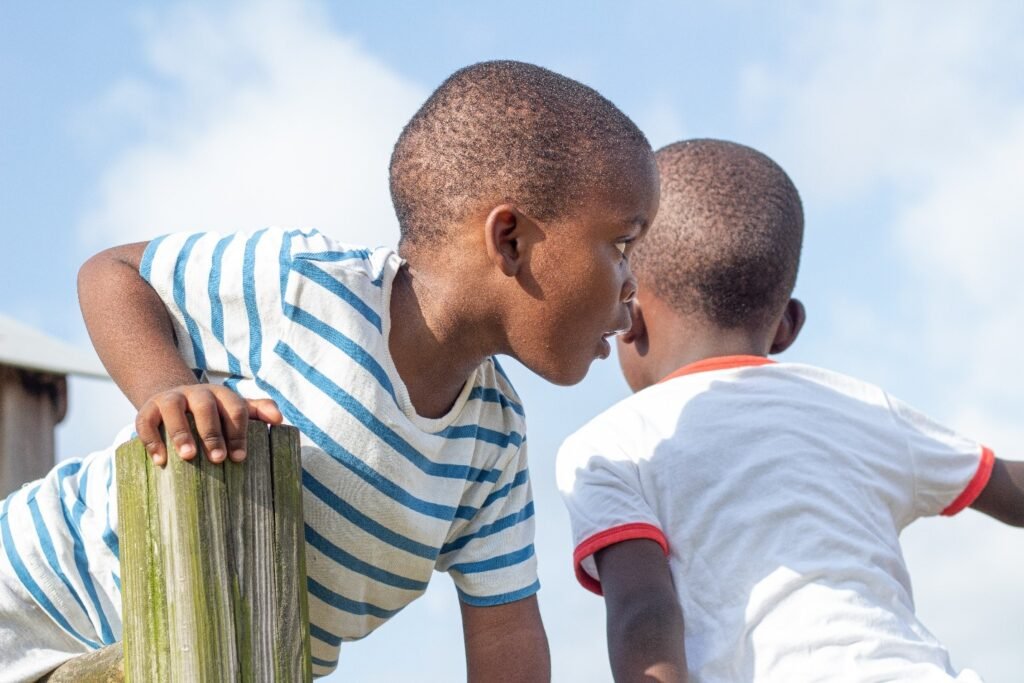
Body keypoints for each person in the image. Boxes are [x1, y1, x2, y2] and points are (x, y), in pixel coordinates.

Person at [0, 60, 660, 681]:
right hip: (26, 591)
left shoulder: (493, 442)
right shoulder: (306, 286)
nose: (633, 284)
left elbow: (507, 631)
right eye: (622, 245)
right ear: (509, 239)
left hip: (214, 658)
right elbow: (113, 274)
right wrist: (167, 385)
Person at [556, 138, 1023, 683]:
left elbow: (644, 611)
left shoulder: (607, 448)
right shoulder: (860, 407)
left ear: (627, 313)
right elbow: (1009, 487)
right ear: (788, 325)